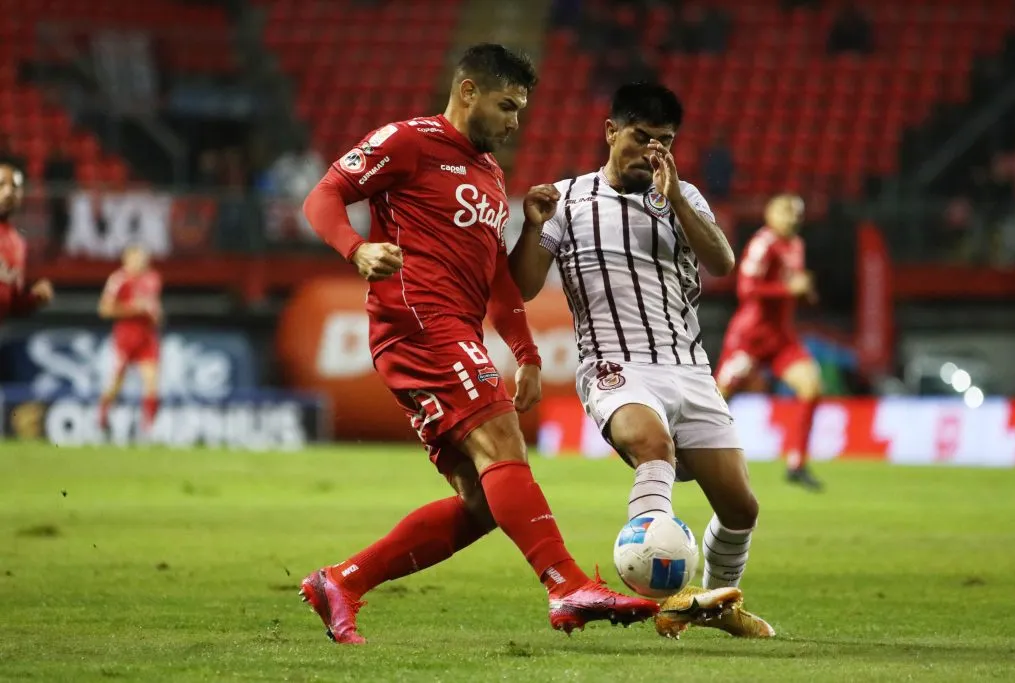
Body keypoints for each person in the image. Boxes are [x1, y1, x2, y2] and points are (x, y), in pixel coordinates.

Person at [300, 44, 658, 645]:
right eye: (507, 106)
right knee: (502, 444)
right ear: (468, 92)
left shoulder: (491, 175)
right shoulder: (407, 141)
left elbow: (498, 280)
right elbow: (323, 197)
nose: (515, 122)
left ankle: (341, 581)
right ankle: (567, 585)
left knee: (484, 501)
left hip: (455, 330)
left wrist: (527, 351)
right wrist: (356, 249)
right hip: (417, 321)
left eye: (520, 110)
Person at [508, 82, 774, 640]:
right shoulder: (566, 200)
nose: (652, 152)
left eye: (665, 141)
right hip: (615, 365)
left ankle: (715, 605)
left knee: (740, 506)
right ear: (611, 132)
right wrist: (533, 226)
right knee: (654, 446)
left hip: (688, 366)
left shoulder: (683, 196)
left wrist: (675, 196)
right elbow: (523, 288)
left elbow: (723, 262)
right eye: (641, 138)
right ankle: (660, 583)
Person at [717, 194, 824, 490]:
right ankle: (685, 454)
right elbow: (746, 288)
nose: (793, 218)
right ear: (770, 214)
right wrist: (787, 288)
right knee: (718, 399)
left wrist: (803, 293)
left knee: (811, 387)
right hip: (750, 337)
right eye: (786, 211)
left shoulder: (796, 245)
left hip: (781, 338)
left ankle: (797, 463)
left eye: (797, 213)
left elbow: (790, 287)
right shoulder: (763, 244)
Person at [97, 245, 162, 434]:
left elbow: (155, 307)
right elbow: (104, 309)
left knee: (152, 383)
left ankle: (149, 428)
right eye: (137, 258)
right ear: (127, 259)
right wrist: (133, 308)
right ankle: (102, 415)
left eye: (143, 258)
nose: (141, 262)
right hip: (126, 336)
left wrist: (156, 315)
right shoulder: (118, 280)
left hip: (147, 336)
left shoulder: (153, 278)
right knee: (116, 382)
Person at [0, 164, 54, 325]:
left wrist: (33, 298)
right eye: (1, 185)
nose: (9, 192)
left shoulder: (17, 243)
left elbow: (11, 303)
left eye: (15, 186)